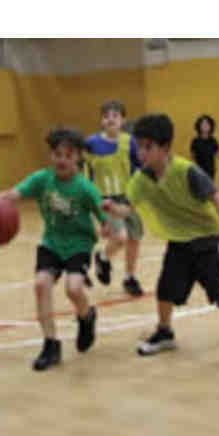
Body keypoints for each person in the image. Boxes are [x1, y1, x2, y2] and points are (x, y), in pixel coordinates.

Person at [101, 113, 219, 357]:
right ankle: (165, 332)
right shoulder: (141, 180)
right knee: (165, 289)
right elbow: (127, 209)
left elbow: (216, 196)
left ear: (165, 148)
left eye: (148, 147)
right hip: (179, 242)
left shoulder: (186, 171)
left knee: (217, 291)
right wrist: (111, 209)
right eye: (139, 147)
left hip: (207, 239)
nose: (141, 153)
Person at [0, 127, 109, 371]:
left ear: (78, 157)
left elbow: (104, 216)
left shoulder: (85, 188)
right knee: (40, 285)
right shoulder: (42, 179)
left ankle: (87, 316)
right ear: (50, 155)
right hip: (51, 243)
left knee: (73, 289)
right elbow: (15, 194)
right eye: (57, 154)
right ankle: (51, 344)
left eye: (68, 155)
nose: (62, 160)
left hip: (79, 245)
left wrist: (108, 227)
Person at [84, 100, 144, 297]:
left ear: (122, 120)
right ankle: (103, 257)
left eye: (115, 115)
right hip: (105, 198)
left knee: (134, 238)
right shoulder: (91, 143)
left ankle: (129, 277)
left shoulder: (129, 142)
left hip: (128, 196)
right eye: (106, 116)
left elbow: (140, 166)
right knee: (119, 238)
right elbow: (84, 170)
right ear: (101, 121)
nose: (110, 119)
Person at [190, 114, 219, 180]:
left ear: (211, 126)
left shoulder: (213, 141)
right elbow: (192, 156)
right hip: (199, 170)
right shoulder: (195, 141)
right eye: (203, 124)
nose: (205, 126)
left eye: (207, 124)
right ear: (199, 126)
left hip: (210, 170)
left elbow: (218, 153)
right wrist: (192, 168)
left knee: (209, 185)